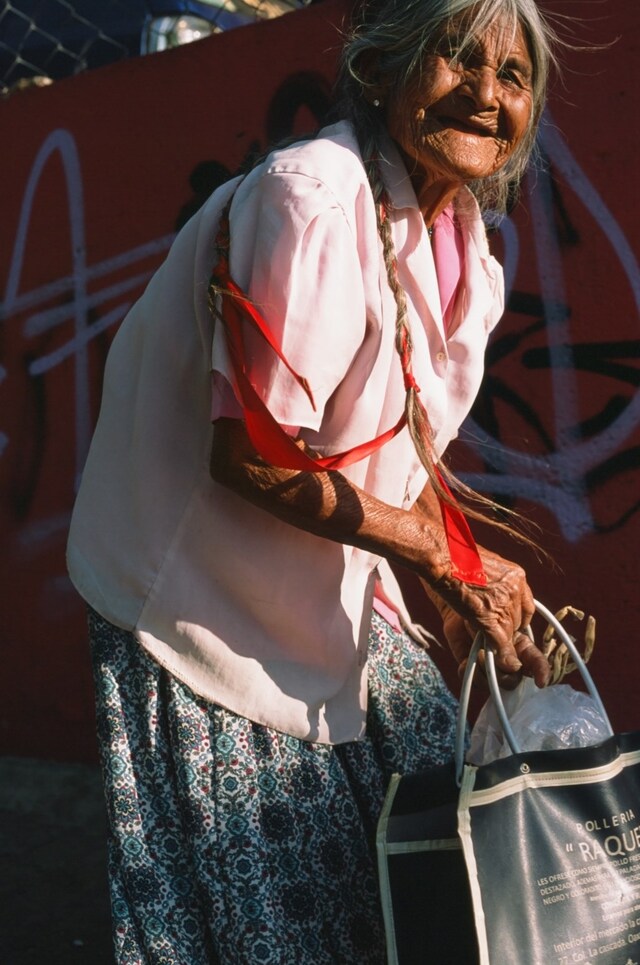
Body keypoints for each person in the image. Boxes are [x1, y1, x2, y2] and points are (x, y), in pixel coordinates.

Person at [67, 0, 560, 961]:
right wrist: (435, 553)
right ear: (383, 71)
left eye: (513, 76)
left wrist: (464, 591)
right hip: (197, 606)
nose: (488, 95)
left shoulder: (464, 248)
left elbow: (392, 456)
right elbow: (251, 451)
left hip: (329, 593)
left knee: (417, 872)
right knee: (271, 929)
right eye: (455, 59)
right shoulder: (312, 200)